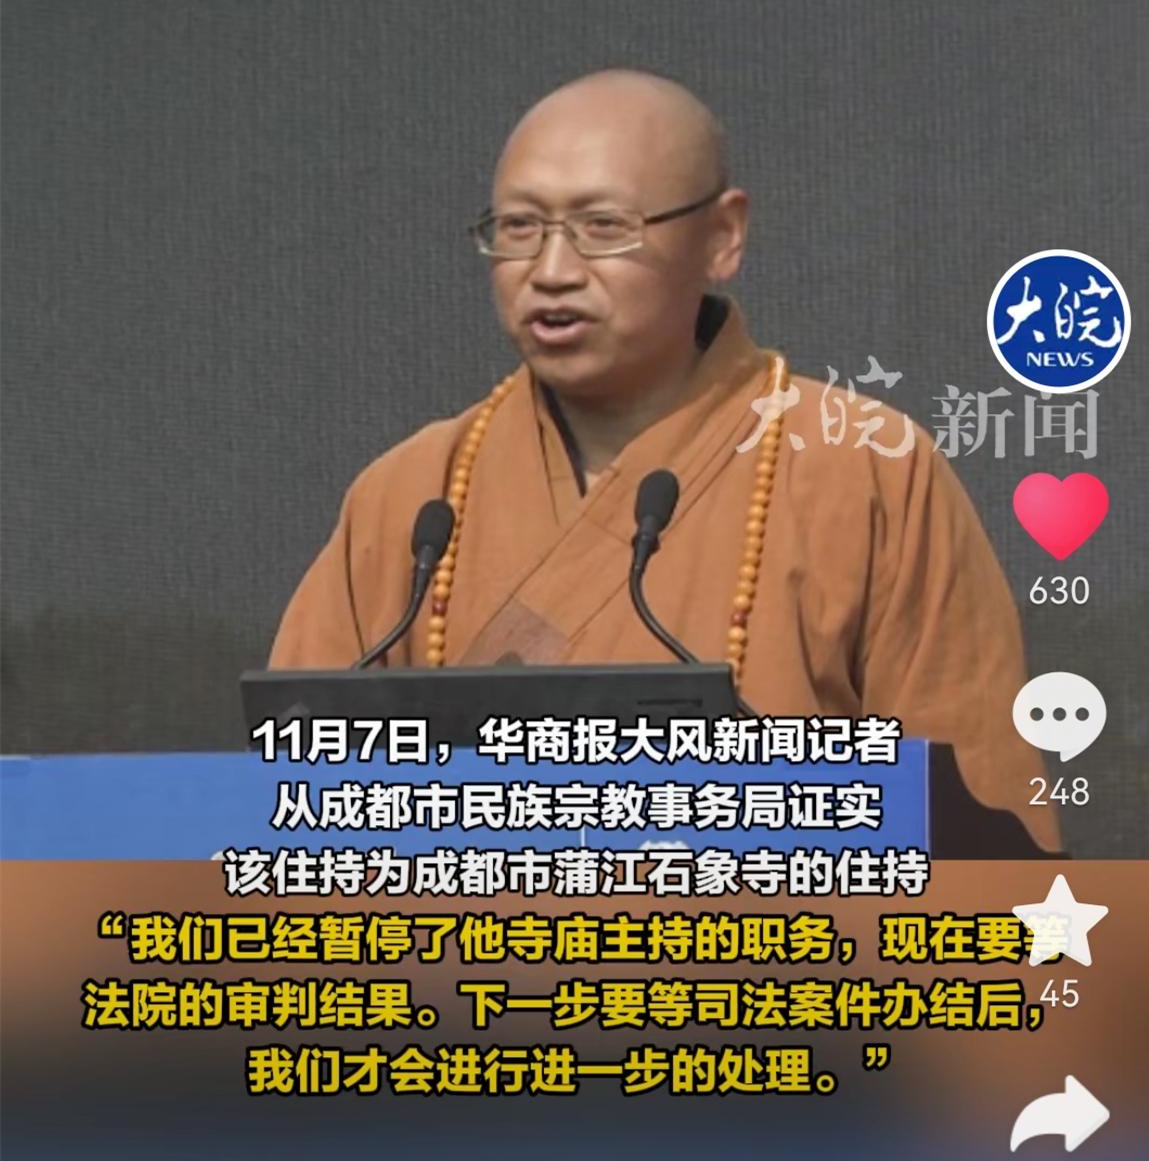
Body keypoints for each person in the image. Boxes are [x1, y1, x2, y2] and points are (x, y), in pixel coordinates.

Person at [271, 68, 1056, 849]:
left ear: (722, 236)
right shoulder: (412, 493)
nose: (551, 270)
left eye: (602, 226)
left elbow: (980, 836)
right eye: (518, 227)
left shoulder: (866, 471)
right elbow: (290, 807)